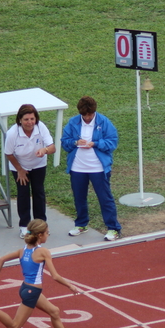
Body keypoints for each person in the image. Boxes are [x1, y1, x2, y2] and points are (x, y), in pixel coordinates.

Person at [61, 95, 121, 241]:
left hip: (98, 168)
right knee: (79, 197)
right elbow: (64, 142)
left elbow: (112, 142)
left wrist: (95, 143)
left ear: (94, 111)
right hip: (77, 168)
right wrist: (76, 142)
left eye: (90, 114)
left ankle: (113, 228)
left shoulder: (104, 122)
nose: (87, 118)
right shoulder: (73, 122)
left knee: (105, 198)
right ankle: (81, 224)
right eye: (84, 115)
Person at [4, 104, 55, 238]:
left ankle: (41, 226)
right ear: (20, 119)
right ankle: (24, 227)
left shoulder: (41, 127)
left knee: (38, 192)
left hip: (38, 165)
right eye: (26, 119)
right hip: (20, 166)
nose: (30, 122)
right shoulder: (12, 133)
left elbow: (52, 147)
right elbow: (8, 153)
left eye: (32, 119)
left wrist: (44, 150)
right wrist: (20, 170)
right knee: (23, 193)